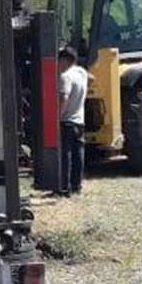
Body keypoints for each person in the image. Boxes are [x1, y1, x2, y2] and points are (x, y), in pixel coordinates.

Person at [57, 46, 89, 195]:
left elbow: (64, 97)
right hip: (80, 120)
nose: (58, 64)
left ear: (65, 60)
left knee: (66, 155)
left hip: (67, 121)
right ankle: (77, 186)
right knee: (78, 154)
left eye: (59, 61)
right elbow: (92, 78)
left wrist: (58, 116)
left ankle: (65, 187)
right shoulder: (82, 73)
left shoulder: (65, 76)